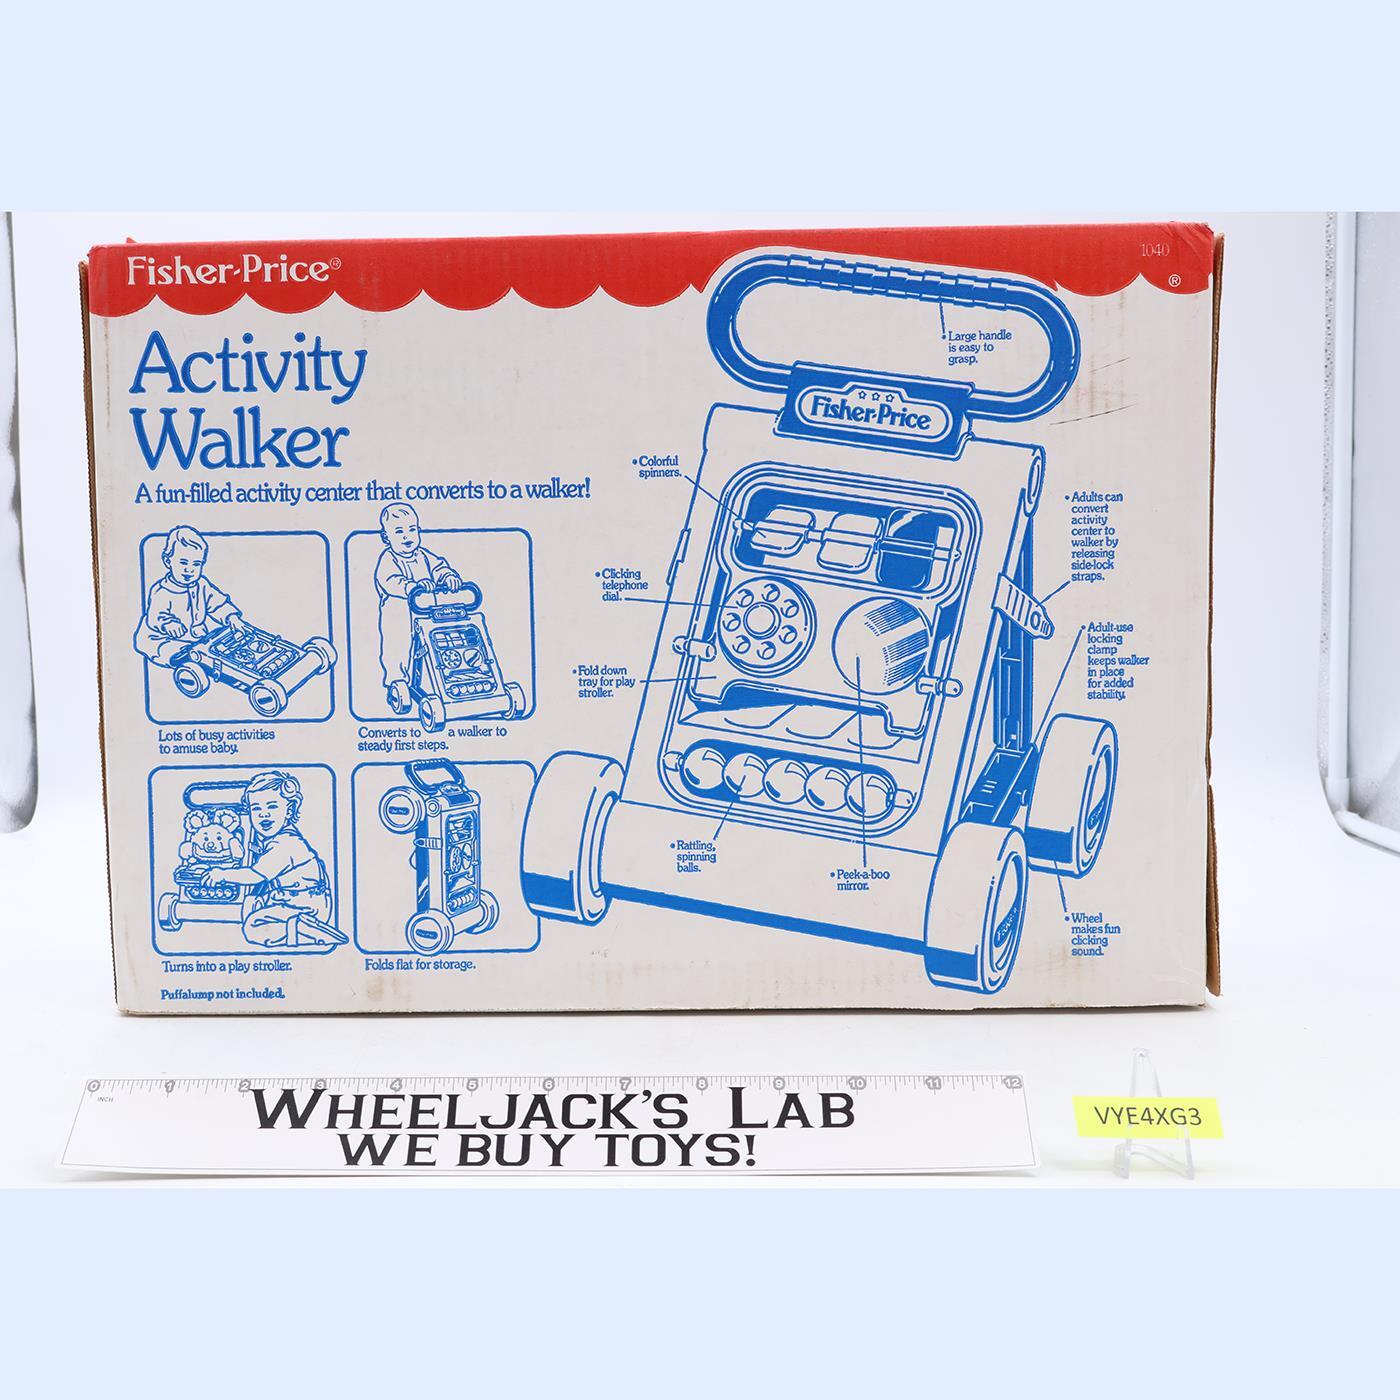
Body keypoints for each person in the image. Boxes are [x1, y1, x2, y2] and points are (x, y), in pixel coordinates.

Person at [202, 770, 345, 949]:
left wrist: (222, 874)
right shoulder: (275, 839)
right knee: (253, 911)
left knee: (252, 928)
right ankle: (300, 927)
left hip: (306, 905)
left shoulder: (286, 844)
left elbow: (255, 875)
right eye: (256, 809)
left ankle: (302, 928)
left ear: (289, 810)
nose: (263, 814)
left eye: (272, 806)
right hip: (292, 899)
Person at [374, 503, 462, 694]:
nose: (407, 536)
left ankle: (442, 679)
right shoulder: (389, 559)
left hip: (427, 612)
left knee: (436, 642)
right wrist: (411, 586)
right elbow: (389, 579)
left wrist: (448, 576)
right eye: (399, 532)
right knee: (398, 646)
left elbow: (439, 567)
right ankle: (397, 680)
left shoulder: (424, 556)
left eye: (412, 529)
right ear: (386, 537)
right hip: (399, 614)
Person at [134, 524, 245, 667]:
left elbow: (217, 603)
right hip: (162, 637)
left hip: (195, 637)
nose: (189, 569)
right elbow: (156, 617)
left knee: (220, 642)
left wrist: (231, 617)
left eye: (196, 564)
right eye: (183, 562)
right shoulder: (161, 591)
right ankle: (187, 665)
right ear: (168, 561)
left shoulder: (202, 584)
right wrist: (169, 624)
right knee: (170, 650)